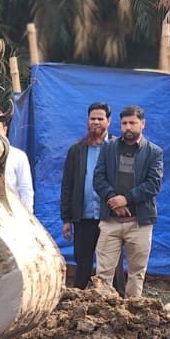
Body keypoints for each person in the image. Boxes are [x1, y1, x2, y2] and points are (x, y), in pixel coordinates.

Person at [91, 105, 163, 299]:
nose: (128, 127)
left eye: (133, 123)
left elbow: (153, 184)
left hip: (139, 223)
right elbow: (98, 178)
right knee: (103, 274)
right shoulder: (109, 147)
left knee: (136, 273)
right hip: (110, 221)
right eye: (124, 123)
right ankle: (102, 314)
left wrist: (126, 199)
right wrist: (112, 199)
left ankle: (131, 317)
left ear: (143, 124)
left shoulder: (153, 152)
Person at [60, 102, 112, 289]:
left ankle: (112, 301)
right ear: (87, 121)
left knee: (109, 263)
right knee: (82, 261)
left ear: (109, 121)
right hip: (83, 217)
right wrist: (67, 219)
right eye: (92, 119)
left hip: (110, 217)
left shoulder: (117, 148)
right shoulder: (77, 150)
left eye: (100, 118)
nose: (96, 122)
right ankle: (79, 300)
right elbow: (68, 185)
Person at [0, 111, 33, 213]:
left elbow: (26, 190)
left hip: (12, 213)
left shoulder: (18, 156)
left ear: (5, 129)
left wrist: (28, 216)